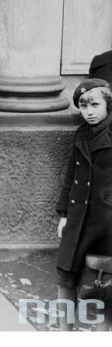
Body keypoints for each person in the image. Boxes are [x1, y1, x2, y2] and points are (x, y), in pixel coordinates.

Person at [56, 79, 112, 331]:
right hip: (78, 220)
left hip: (105, 224)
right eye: (83, 105)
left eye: (95, 105)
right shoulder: (81, 134)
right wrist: (64, 215)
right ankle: (64, 332)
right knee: (66, 278)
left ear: (108, 105)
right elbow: (70, 177)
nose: (89, 112)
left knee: (103, 283)